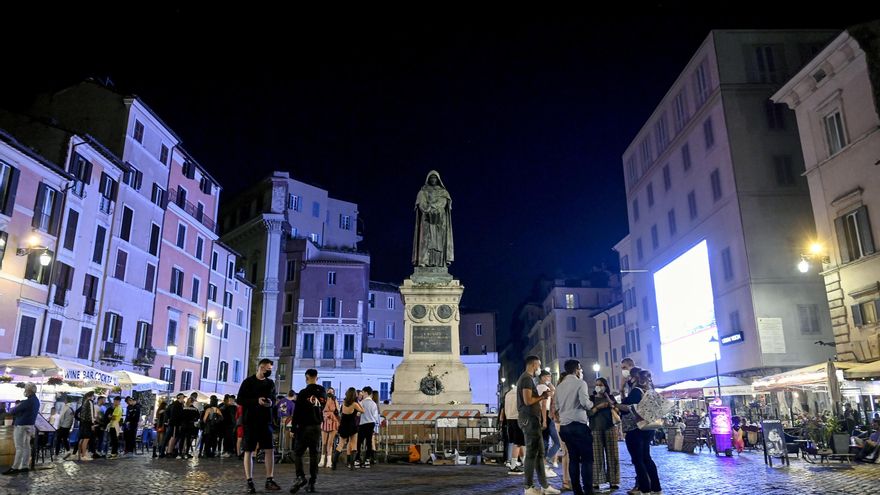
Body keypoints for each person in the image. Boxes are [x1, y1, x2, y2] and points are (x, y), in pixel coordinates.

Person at [518, 355, 560, 495]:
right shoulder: (526, 379)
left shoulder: (528, 379)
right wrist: (543, 396)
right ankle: (528, 487)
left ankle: (544, 485)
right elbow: (528, 400)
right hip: (529, 420)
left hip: (533, 420)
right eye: (539, 365)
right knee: (531, 454)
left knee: (540, 453)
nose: (540, 368)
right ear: (534, 365)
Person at [237, 358, 280, 493]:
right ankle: (249, 481)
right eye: (268, 369)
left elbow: (273, 398)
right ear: (261, 367)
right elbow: (240, 400)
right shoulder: (248, 382)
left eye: (270, 370)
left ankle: (269, 479)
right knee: (249, 451)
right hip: (250, 421)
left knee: (269, 450)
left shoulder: (270, 383)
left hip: (265, 421)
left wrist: (270, 403)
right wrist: (256, 401)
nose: (269, 372)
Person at [617, 369, 661, 495]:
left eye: (630, 377)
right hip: (649, 428)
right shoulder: (649, 390)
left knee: (638, 460)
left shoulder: (637, 391)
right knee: (647, 458)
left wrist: (615, 401)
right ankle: (656, 489)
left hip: (636, 429)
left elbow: (625, 407)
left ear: (635, 378)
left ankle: (645, 489)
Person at [555, 360, 594, 495]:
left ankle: (577, 490)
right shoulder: (580, 383)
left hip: (565, 426)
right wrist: (591, 404)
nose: (581, 372)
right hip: (579, 424)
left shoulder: (559, 386)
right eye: (581, 369)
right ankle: (588, 490)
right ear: (577, 369)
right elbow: (585, 403)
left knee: (573, 459)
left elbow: (556, 406)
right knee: (587, 459)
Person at [289, 369, 327, 494]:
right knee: (313, 454)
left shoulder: (303, 393)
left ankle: (300, 476)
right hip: (316, 426)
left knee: (298, 452)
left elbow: (297, 412)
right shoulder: (322, 392)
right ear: (317, 377)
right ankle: (312, 482)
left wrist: (294, 428)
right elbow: (322, 406)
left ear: (307, 377)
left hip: (304, 426)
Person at [412, 170, 454, 267]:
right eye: (431, 178)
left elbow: (444, 203)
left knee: (439, 242)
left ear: (438, 179)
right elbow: (421, 204)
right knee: (425, 240)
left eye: (435, 178)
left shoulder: (443, 192)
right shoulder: (423, 191)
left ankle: (438, 263)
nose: (433, 179)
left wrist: (434, 207)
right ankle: (424, 261)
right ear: (428, 179)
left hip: (439, 219)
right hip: (426, 218)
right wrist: (428, 209)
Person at [588, 377, 619, 492]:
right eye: (597, 385)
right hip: (595, 428)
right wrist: (598, 407)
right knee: (597, 456)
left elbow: (617, 410)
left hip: (610, 428)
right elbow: (589, 413)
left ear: (605, 386)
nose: (599, 387)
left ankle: (614, 480)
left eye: (601, 384)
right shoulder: (591, 398)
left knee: (613, 455)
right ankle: (597, 481)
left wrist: (610, 402)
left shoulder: (610, 397)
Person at [2, 383, 39, 475]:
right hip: (30, 425)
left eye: (26, 390)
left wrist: (16, 409)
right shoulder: (36, 401)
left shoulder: (27, 401)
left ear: (29, 391)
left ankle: (15, 467)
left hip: (21, 425)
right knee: (27, 446)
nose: (25, 391)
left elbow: (12, 411)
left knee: (19, 447)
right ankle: (25, 466)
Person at [334, 387, 364, 470]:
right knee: (353, 445)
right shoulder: (354, 404)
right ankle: (352, 465)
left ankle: (334, 464)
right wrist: (358, 410)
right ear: (354, 395)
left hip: (343, 425)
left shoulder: (344, 402)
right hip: (352, 425)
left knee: (340, 445)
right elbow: (363, 411)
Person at [537, 370, 561, 477]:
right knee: (556, 442)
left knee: (545, 442)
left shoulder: (538, 387)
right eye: (548, 376)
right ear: (542, 377)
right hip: (545, 415)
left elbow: (553, 391)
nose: (550, 378)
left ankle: (544, 465)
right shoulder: (543, 388)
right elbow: (543, 405)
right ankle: (545, 460)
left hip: (542, 415)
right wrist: (545, 421)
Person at [500, 385, 524, 474]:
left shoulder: (508, 394)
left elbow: (504, 408)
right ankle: (513, 466)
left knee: (518, 442)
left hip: (509, 420)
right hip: (518, 419)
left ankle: (523, 462)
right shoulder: (520, 393)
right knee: (518, 443)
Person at [355, 386, 380, 468]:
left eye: (362, 392)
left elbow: (358, 414)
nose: (361, 394)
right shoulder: (374, 404)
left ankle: (357, 460)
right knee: (369, 442)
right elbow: (375, 416)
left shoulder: (361, 403)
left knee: (359, 442)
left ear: (366, 393)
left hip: (363, 424)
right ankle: (367, 460)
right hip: (371, 423)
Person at [319, 387, 339, 468]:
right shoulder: (323, 400)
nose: (330, 393)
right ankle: (322, 459)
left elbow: (337, 409)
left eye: (332, 392)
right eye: (329, 391)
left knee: (330, 443)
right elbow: (321, 408)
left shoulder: (335, 400)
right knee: (324, 443)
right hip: (324, 420)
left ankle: (329, 461)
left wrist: (335, 400)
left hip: (333, 420)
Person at [75, 391, 96, 461]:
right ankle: (84, 455)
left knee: (82, 438)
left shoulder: (84, 402)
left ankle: (80, 454)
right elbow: (91, 414)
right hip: (88, 423)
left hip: (83, 423)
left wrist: (80, 419)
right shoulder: (90, 402)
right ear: (91, 396)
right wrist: (93, 424)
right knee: (86, 439)